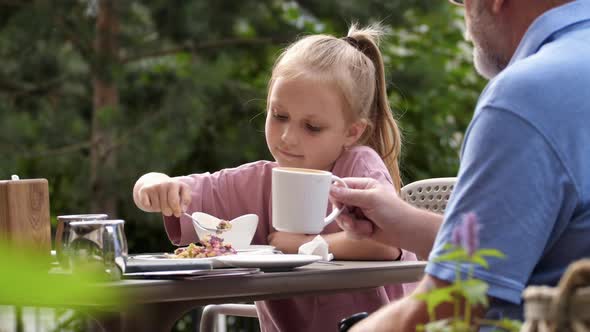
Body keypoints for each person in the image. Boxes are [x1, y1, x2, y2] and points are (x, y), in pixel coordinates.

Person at [133, 24, 418, 332]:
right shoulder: (258, 180)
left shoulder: (359, 166)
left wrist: (303, 245)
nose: (287, 138)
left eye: (312, 127)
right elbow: (181, 192)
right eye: (279, 116)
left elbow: (385, 245)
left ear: (352, 132)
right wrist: (153, 184)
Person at [329, 0, 590, 330]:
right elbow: (530, 253)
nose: (461, 12)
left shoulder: (527, 97)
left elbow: (449, 303)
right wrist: (405, 223)